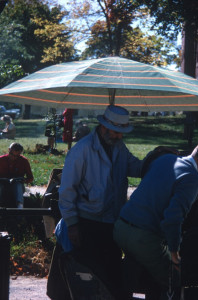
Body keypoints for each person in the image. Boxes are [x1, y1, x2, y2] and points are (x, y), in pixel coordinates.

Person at [113, 139, 198, 299]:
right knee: (174, 279)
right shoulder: (194, 179)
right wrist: (175, 255)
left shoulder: (165, 159)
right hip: (142, 237)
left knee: (147, 267)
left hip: (120, 228)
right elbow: (172, 219)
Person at [58, 105, 142, 299]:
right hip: (87, 223)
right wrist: (72, 225)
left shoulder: (118, 147)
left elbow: (135, 167)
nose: (120, 136)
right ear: (104, 127)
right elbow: (67, 191)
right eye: (116, 132)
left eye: (122, 133)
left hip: (112, 222)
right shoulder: (82, 150)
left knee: (112, 276)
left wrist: (156, 161)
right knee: (90, 278)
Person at [0, 143, 34, 211]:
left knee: (18, 184)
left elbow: (30, 178)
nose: (13, 157)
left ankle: (20, 206)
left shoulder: (24, 161)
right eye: (12, 154)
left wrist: (24, 180)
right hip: (3, 185)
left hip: (17, 185)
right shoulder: (0, 159)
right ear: (9, 150)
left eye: (17, 156)